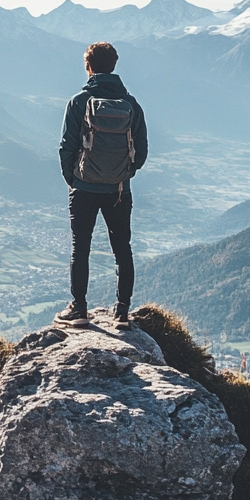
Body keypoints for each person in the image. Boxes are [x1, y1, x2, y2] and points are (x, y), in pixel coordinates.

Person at [56, 41, 148, 329]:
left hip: (83, 188)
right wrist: (123, 174)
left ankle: (79, 310)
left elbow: (66, 147)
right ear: (114, 65)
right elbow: (142, 152)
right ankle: (122, 313)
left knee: (80, 248)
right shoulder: (131, 105)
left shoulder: (78, 102)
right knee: (122, 249)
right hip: (119, 190)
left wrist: (74, 180)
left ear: (89, 67)